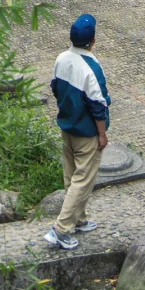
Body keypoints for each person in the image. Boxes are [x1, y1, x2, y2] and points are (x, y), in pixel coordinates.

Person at [46, 13, 111, 250]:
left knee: (71, 176)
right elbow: (98, 104)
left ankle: (79, 219)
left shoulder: (61, 58)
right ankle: (61, 229)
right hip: (87, 132)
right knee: (82, 181)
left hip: (67, 126)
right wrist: (102, 134)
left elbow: (55, 88)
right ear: (93, 41)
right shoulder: (92, 67)